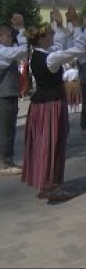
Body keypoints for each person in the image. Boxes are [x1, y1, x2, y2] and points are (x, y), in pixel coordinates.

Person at [23, 8, 86, 201]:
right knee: (53, 143)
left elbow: (60, 44)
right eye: (50, 33)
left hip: (40, 104)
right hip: (51, 106)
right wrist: (76, 26)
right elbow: (78, 49)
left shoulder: (39, 54)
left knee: (44, 144)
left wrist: (61, 25)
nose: (53, 35)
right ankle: (52, 186)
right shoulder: (50, 57)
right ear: (43, 38)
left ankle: (47, 183)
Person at [0, 14, 28, 176]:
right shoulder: (3, 51)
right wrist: (21, 30)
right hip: (5, 95)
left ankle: (5, 160)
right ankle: (5, 162)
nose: (12, 39)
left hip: (5, 94)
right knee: (7, 130)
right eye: (9, 36)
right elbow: (23, 51)